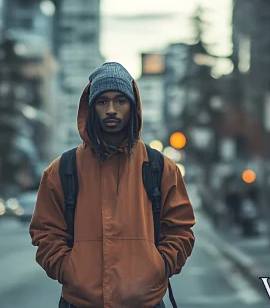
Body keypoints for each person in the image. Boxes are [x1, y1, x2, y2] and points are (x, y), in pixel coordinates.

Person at [29, 62, 196, 308]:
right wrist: (68, 270)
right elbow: (45, 232)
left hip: (145, 301)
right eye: (102, 101)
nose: (111, 110)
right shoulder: (62, 169)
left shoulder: (161, 167)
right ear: (90, 107)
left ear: (133, 106)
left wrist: (160, 266)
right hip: (80, 301)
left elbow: (181, 229)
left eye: (120, 101)